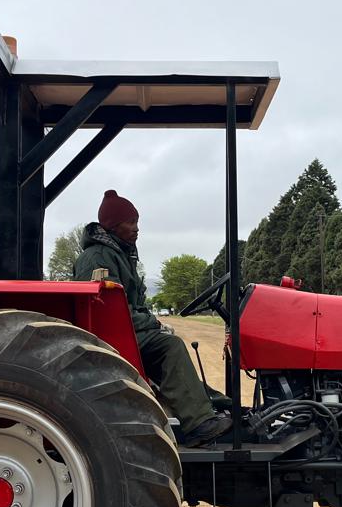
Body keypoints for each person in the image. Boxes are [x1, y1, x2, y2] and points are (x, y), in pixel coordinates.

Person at [74, 190, 232, 445]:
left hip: (126, 331)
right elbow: (109, 312)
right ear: (114, 225)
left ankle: (222, 407)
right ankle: (199, 424)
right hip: (112, 337)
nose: (137, 229)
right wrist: (154, 323)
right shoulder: (98, 257)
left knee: (168, 350)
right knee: (170, 346)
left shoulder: (119, 254)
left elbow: (131, 304)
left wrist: (153, 323)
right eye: (131, 222)